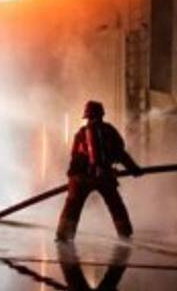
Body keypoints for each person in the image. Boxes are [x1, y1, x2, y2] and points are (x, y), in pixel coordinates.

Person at [55, 100, 142, 242]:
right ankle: (125, 232)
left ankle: (64, 235)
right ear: (102, 115)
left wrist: (73, 178)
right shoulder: (110, 131)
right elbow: (121, 154)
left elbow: (75, 158)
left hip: (82, 178)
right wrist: (134, 169)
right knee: (115, 204)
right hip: (105, 177)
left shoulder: (81, 134)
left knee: (72, 205)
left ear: (86, 117)